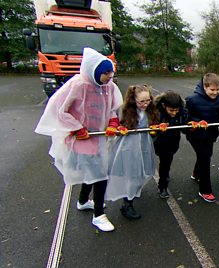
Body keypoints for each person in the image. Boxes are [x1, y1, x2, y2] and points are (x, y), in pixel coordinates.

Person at [34, 47, 123, 232]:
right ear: (95, 71)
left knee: (94, 172)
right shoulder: (78, 85)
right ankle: (98, 215)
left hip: (98, 138)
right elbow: (60, 110)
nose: (110, 76)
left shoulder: (109, 87)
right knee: (100, 175)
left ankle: (83, 201)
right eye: (106, 73)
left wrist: (113, 122)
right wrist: (77, 127)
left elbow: (112, 108)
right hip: (82, 140)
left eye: (111, 72)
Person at [105, 84, 159, 219]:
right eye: (141, 101)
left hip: (144, 144)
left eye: (148, 100)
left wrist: (155, 129)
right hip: (128, 146)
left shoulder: (150, 110)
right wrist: (119, 128)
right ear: (133, 100)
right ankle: (127, 204)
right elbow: (115, 125)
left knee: (141, 171)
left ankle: (132, 194)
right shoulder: (124, 110)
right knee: (130, 173)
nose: (145, 104)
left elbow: (153, 125)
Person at [185, 73, 219, 203]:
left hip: (211, 134)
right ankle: (205, 190)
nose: (215, 92)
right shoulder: (192, 100)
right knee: (205, 158)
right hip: (195, 135)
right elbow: (187, 116)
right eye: (212, 90)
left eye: (217, 90)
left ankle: (196, 173)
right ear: (204, 87)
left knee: (206, 155)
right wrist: (198, 121)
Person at [153, 91, 188, 199]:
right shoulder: (156, 112)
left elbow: (184, 129)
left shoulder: (182, 112)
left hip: (172, 142)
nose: (174, 113)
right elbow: (150, 128)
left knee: (166, 163)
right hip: (158, 141)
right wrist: (158, 129)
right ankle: (161, 185)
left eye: (176, 110)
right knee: (161, 162)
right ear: (164, 106)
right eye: (171, 110)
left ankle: (164, 181)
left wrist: (189, 127)